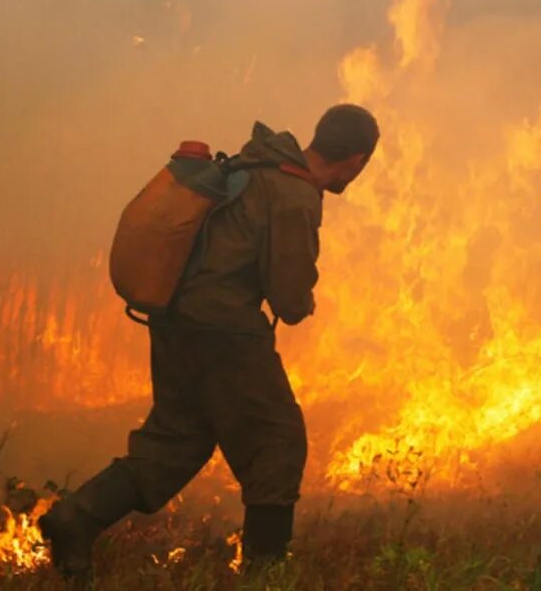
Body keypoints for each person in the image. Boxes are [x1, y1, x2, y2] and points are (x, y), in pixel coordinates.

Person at [39, 104, 380, 580]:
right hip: (226, 334)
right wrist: (305, 299)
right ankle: (264, 577)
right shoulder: (294, 195)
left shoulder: (256, 167)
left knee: (175, 442)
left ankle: (76, 519)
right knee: (277, 443)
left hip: (175, 323)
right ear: (357, 160)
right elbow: (289, 300)